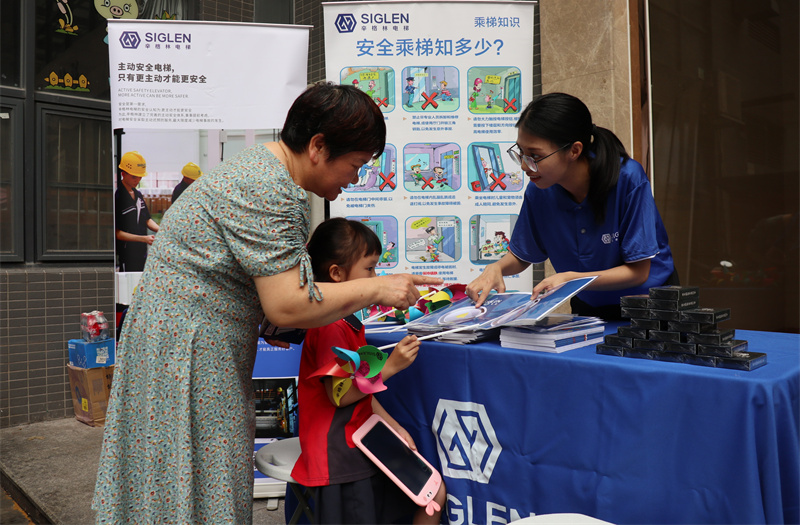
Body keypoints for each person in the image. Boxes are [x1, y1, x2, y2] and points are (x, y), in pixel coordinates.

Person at [93, 82, 442, 524]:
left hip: (178, 344)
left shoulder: (260, 173)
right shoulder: (271, 188)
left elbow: (259, 292)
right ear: (318, 146)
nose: (354, 179)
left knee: (176, 484)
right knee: (198, 484)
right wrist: (379, 288)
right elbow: (287, 305)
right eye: (354, 165)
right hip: (188, 355)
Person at [466, 92, 676, 320]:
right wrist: (496, 268)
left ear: (574, 151)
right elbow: (523, 254)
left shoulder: (627, 178)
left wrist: (570, 278)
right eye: (521, 153)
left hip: (649, 305)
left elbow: (638, 272)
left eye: (534, 156)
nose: (525, 167)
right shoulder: (540, 190)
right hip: (588, 303)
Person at [293, 217, 446, 524]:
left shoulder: (348, 320)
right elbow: (341, 395)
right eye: (370, 269)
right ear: (336, 273)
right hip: (339, 456)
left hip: (364, 440)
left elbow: (364, 389)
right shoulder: (330, 325)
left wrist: (394, 427)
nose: (377, 278)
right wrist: (390, 367)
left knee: (435, 494)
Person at [114, 151, 159, 272]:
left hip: (141, 252)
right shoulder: (118, 197)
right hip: (127, 254)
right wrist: (143, 238)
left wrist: (162, 230)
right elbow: (117, 233)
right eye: (134, 176)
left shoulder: (138, 195)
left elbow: (147, 219)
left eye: (140, 177)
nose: (137, 180)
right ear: (123, 174)